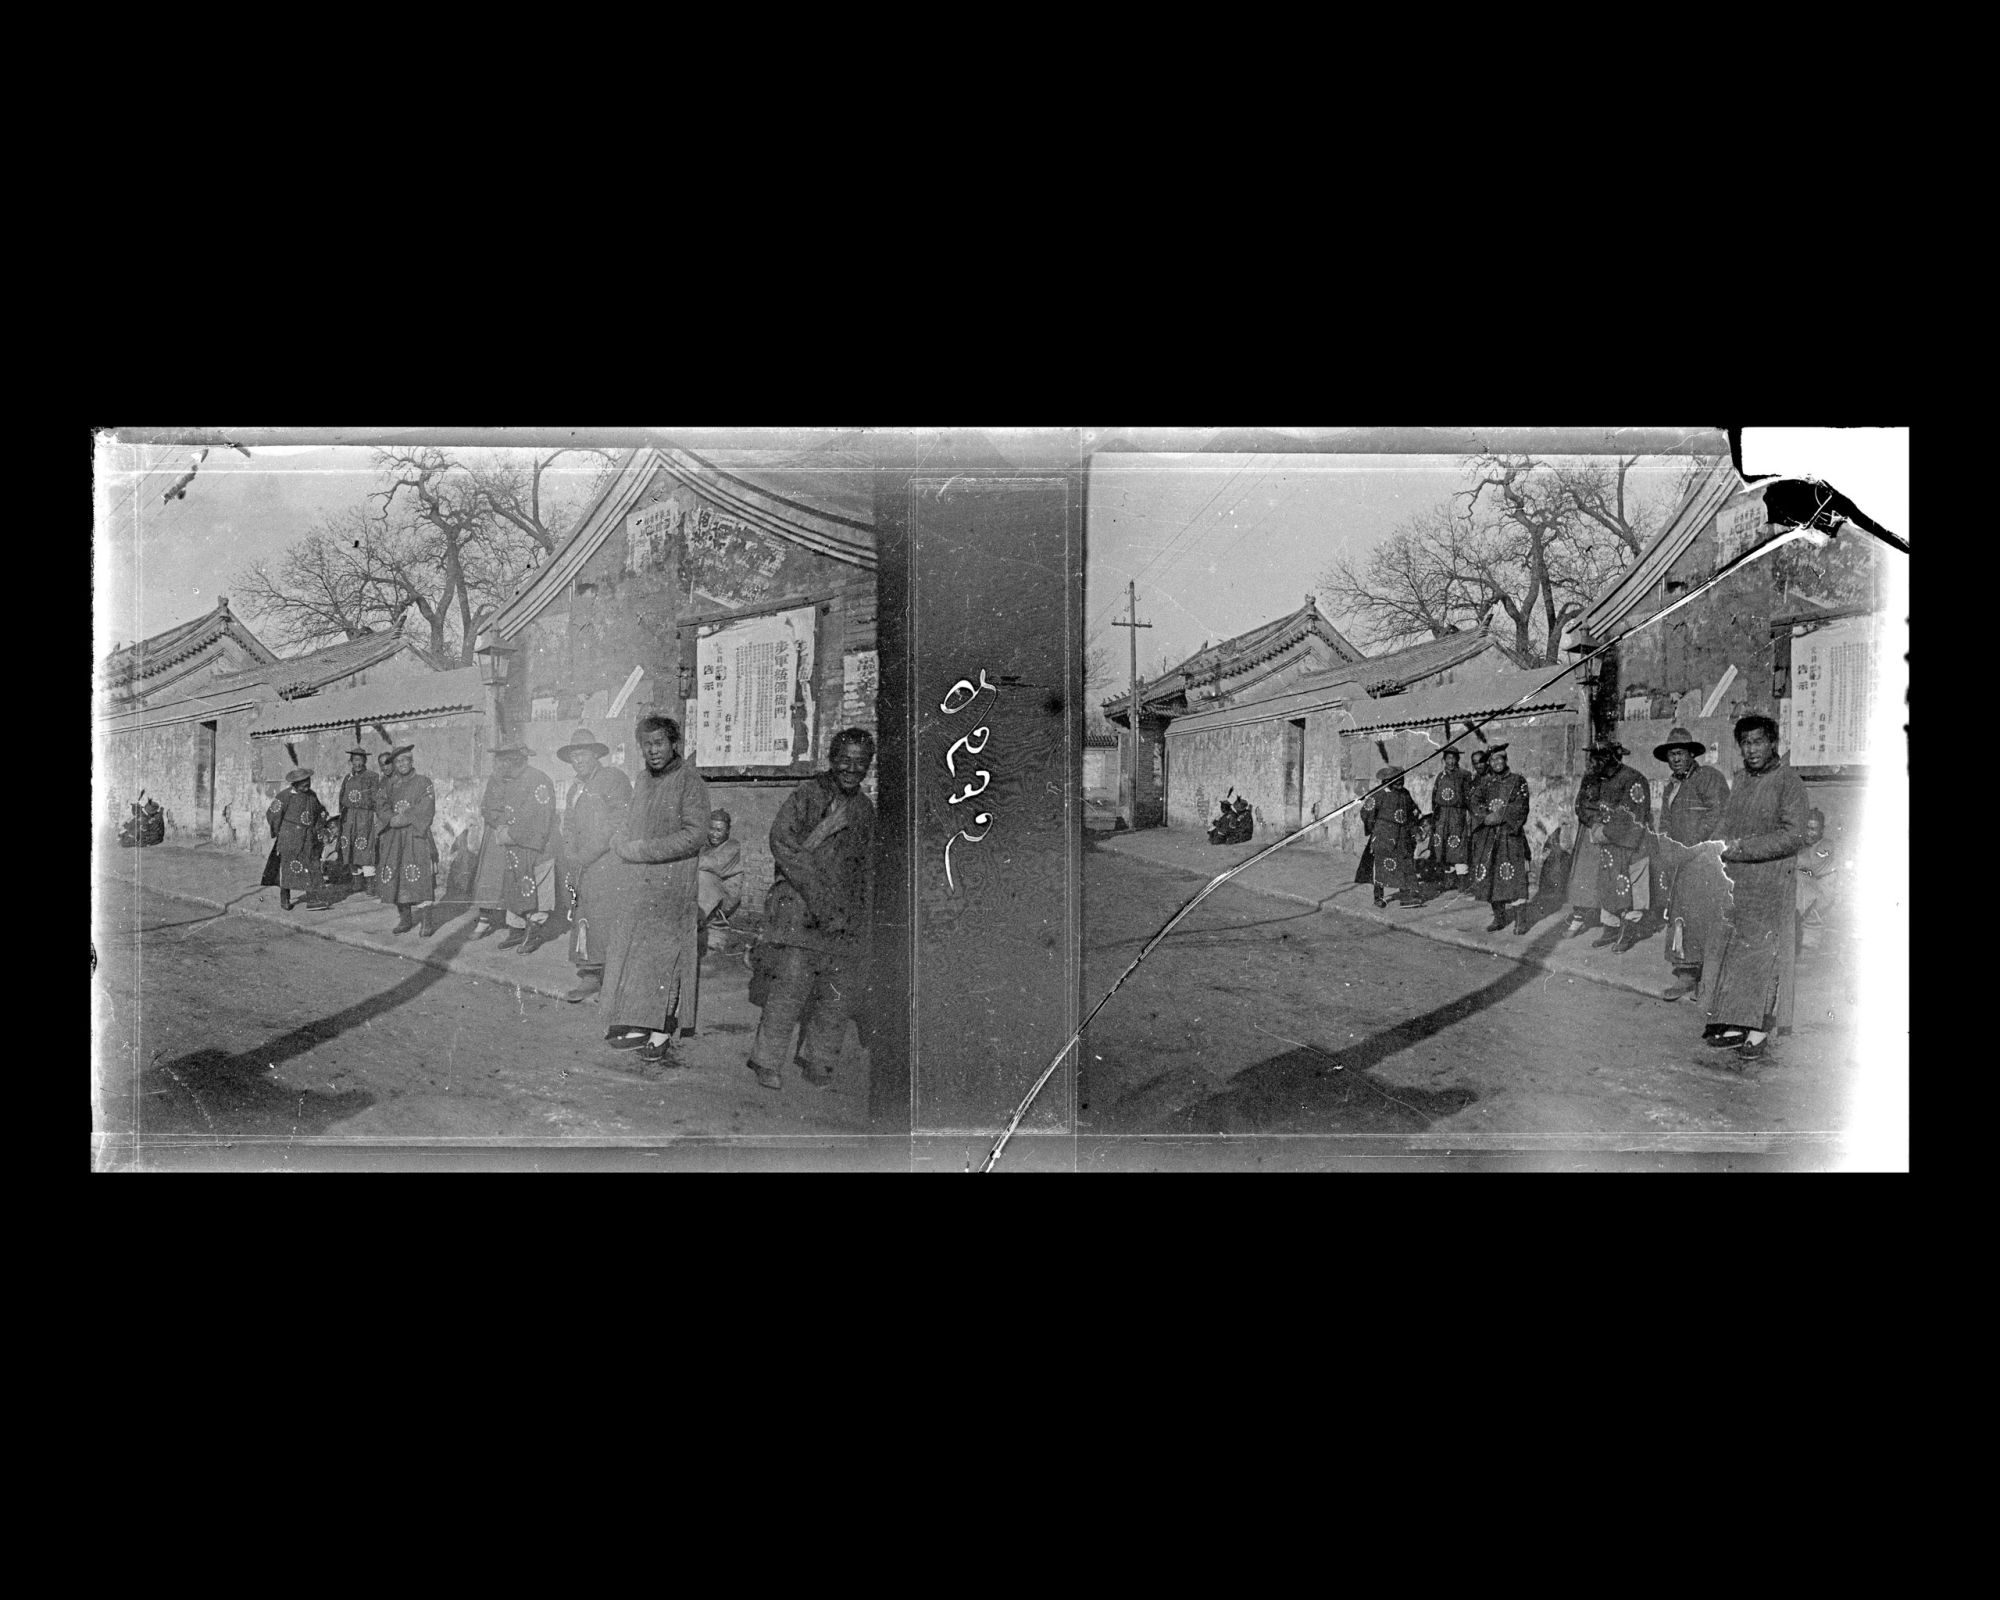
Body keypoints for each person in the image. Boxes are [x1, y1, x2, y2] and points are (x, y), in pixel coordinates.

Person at [748, 729, 877, 1093]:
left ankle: (819, 1057)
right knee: (790, 990)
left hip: (844, 917)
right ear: (832, 760)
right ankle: (767, 1061)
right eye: (845, 760)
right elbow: (782, 841)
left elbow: (867, 867)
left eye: (860, 762)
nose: (852, 768)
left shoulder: (864, 809)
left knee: (837, 993)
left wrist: (860, 919)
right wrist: (820, 898)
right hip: (803, 912)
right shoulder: (808, 795)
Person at [596, 714, 710, 1072]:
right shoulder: (643, 779)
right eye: (646, 745)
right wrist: (619, 837)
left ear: (674, 744)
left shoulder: (690, 781)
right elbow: (630, 821)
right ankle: (640, 1023)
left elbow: (695, 835)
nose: (653, 751)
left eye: (659, 743)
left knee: (668, 960)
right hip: (642, 885)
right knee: (641, 958)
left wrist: (642, 849)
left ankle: (662, 1030)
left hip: (674, 886)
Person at [1700, 713, 1812, 1062]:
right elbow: (1728, 821)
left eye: (1758, 741)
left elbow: (1793, 835)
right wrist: (1713, 842)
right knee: (1739, 952)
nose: (1751, 750)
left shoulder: (1788, 782)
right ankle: (1736, 1020)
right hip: (1742, 881)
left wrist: (1743, 849)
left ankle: (1760, 1028)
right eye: (1746, 743)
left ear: (1773, 743)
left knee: (1766, 955)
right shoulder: (1742, 781)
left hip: (1773, 880)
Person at [547, 728, 631, 981]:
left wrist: (587, 853)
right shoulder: (575, 789)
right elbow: (569, 823)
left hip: (609, 861)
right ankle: (591, 975)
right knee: (584, 915)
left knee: (606, 918)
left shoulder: (613, 779)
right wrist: (570, 850)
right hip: (583, 864)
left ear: (596, 755)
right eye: (574, 756)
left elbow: (618, 820)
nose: (578, 760)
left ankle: (611, 978)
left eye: (583, 754)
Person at [1653, 726, 1730, 993]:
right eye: (1671, 754)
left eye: (1680, 753)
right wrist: (1666, 846)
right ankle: (1686, 974)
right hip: (1680, 861)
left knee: (1706, 916)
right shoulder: (1671, 787)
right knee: (1681, 916)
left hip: (1705, 859)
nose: (1675, 759)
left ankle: (1709, 976)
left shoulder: (1709, 778)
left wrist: (1692, 845)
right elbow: (1664, 821)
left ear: (1690, 754)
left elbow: (1717, 813)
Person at [469, 742, 556, 949]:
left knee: (536, 886)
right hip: (512, 841)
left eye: (502, 760)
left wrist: (511, 833)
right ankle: (516, 929)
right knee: (515, 883)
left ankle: (534, 931)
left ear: (512, 760)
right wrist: (503, 828)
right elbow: (490, 807)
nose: (497, 764)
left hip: (534, 843)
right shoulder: (504, 779)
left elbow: (538, 815)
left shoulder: (538, 779)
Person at [1591, 742, 1655, 953]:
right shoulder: (1602, 780)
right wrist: (1596, 825)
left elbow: (1633, 814)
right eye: (1593, 758)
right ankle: (1610, 928)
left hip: (1631, 844)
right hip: (1610, 845)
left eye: (1598, 758)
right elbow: (1594, 807)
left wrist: (1605, 833)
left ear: (1610, 758)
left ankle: (1629, 932)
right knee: (1609, 884)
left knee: (1633, 887)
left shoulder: (1634, 779)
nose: (1593, 763)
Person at [373, 743, 439, 935]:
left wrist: (406, 817)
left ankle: (427, 922)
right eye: (398, 761)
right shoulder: (388, 785)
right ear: (393, 764)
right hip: (394, 836)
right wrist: (390, 819)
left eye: (405, 760)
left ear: (412, 761)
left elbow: (426, 805)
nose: (402, 764)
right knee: (397, 876)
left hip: (416, 835)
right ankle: (405, 919)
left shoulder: (423, 782)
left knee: (421, 876)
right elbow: (380, 804)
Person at [1468, 743, 1533, 932]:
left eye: (1500, 759)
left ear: (1505, 760)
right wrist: (1486, 816)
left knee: (1514, 876)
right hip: (1489, 837)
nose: (1497, 763)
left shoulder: (1517, 781)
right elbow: (1474, 802)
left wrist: (1502, 815)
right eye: (1493, 760)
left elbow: (1522, 805)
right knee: (1491, 876)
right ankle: (1499, 918)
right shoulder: (1485, 783)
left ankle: (1521, 921)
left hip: (1510, 835)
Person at [263, 768, 327, 911]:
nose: (306, 784)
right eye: (303, 782)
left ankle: (313, 899)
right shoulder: (284, 796)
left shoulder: (312, 796)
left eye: (308, 781)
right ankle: (284, 898)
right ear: (295, 783)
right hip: (290, 838)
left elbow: (318, 811)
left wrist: (321, 822)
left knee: (311, 865)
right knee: (288, 867)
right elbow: (272, 814)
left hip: (308, 838)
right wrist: (282, 832)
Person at [1360, 766, 1419, 908]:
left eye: (1402, 779)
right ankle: (1378, 897)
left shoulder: (1405, 793)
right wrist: (1377, 829)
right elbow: (1366, 813)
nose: (1400, 782)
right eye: (1397, 779)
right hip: (1384, 836)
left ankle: (1406, 897)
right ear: (1388, 781)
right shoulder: (1378, 795)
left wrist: (1413, 827)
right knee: (1382, 865)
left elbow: (1412, 811)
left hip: (1402, 835)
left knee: (1405, 864)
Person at [334, 746, 381, 891]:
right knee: (350, 848)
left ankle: (370, 883)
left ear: (365, 761)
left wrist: (375, 816)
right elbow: (342, 797)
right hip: (349, 817)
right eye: (355, 760)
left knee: (365, 847)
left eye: (360, 760)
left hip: (364, 816)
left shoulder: (372, 776)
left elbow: (376, 799)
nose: (358, 763)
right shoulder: (348, 778)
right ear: (351, 761)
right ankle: (356, 881)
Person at [1794, 808, 1840, 957]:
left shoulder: (1826, 847)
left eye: (1814, 829)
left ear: (1822, 830)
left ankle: (1807, 944)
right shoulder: (1804, 846)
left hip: (1821, 894)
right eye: (1806, 828)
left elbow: (1810, 867)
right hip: (1807, 891)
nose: (1809, 833)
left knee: (1800, 878)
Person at [1430, 749, 1473, 893]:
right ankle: (1449, 880)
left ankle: (1462, 881)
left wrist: (1467, 814)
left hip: (1457, 814)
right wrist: (1435, 817)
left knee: (1458, 846)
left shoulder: (1464, 775)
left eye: (1454, 758)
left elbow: (1469, 797)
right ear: (1444, 759)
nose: (1451, 762)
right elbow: (1434, 796)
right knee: (1443, 847)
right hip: (1442, 815)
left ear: (1458, 760)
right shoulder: (1440, 777)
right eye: (1448, 758)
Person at [699, 809, 745, 927]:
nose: (714, 834)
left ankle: (707, 917)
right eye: (711, 829)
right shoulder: (706, 844)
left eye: (719, 830)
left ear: (727, 831)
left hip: (725, 899)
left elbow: (712, 864)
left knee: (702, 874)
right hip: (710, 894)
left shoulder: (732, 846)